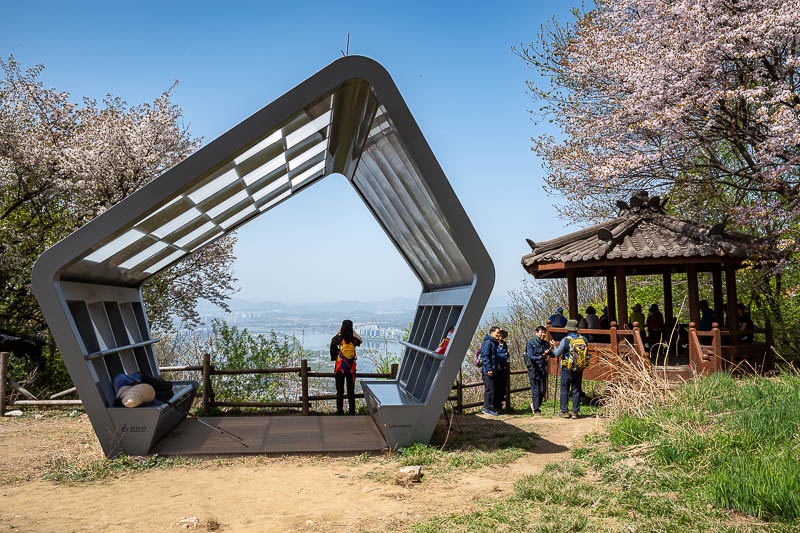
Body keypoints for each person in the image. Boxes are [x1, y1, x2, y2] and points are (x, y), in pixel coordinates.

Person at [551, 319, 586, 419]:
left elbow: (557, 353)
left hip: (567, 368)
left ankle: (564, 411)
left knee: (564, 388)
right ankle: (575, 412)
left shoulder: (565, 340)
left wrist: (554, 346)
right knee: (576, 389)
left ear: (567, 329)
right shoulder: (583, 339)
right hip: (579, 367)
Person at [329, 319, 362, 416]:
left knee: (340, 391)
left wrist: (338, 333)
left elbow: (332, 350)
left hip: (339, 368)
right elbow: (361, 340)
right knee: (351, 391)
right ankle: (352, 412)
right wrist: (353, 332)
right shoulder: (353, 340)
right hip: (351, 369)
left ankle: (340, 411)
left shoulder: (338, 339)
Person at [525, 326, 552, 415]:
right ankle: (536, 409)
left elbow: (552, 354)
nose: (543, 334)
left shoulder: (545, 343)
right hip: (533, 368)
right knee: (535, 389)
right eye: (541, 332)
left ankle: (535, 404)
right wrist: (540, 357)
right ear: (537, 333)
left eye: (544, 332)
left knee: (543, 390)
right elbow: (530, 355)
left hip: (542, 368)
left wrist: (551, 349)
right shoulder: (531, 343)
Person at [480, 326, 502, 416]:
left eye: (499, 333)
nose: (498, 334)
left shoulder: (493, 343)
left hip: (493, 370)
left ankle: (490, 407)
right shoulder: (488, 343)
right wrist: (489, 369)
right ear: (491, 332)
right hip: (488, 371)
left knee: (492, 389)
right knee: (490, 389)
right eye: (497, 333)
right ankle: (487, 408)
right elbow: (485, 357)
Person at [494, 330, 511, 413]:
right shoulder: (494, 344)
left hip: (504, 367)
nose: (500, 336)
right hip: (497, 368)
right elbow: (494, 355)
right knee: (497, 387)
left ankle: (500, 405)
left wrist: (507, 355)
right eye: (499, 334)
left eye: (502, 335)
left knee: (503, 388)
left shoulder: (504, 344)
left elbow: (506, 354)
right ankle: (496, 406)